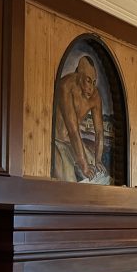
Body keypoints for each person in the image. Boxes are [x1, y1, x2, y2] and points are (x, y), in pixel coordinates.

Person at [52, 55, 108, 183]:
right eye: (88, 80)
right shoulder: (65, 86)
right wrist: (83, 165)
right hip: (58, 142)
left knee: (101, 176)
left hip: (75, 143)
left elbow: (99, 131)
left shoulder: (95, 96)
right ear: (78, 75)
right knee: (69, 182)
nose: (91, 88)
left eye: (94, 82)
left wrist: (98, 159)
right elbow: (73, 130)